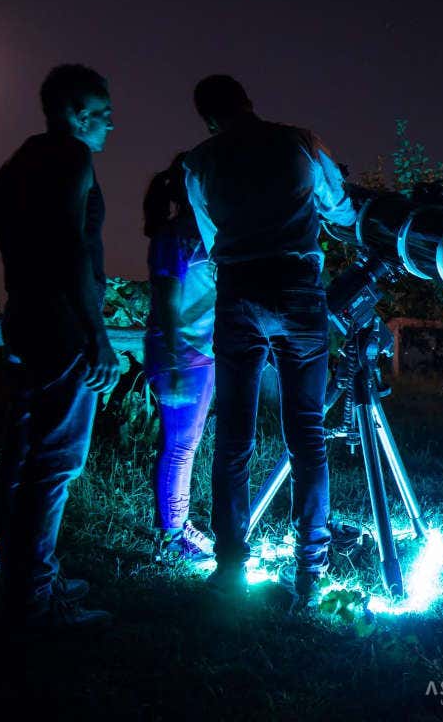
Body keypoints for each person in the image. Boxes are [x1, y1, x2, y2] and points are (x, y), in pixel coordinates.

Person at [183, 75, 356, 602]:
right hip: (299, 288)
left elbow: (212, 239)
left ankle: (231, 564)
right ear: (249, 100)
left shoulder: (198, 162)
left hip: (238, 294)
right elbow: (340, 207)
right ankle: (310, 568)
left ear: (209, 119)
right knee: (305, 434)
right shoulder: (299, 141)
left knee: (234, 437)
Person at [0, 63, 119, 630]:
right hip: (62, 325)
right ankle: (36, 601)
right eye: (105, 116)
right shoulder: (71, 157)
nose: (111, 128)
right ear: (77, 113)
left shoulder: (13, 166)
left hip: (22, 319)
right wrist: (97, 334)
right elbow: (71, 249)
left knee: (20, 459)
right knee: (57, 462)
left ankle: (25, 579)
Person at [142, 153, 217, 562]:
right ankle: (174, 536)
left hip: (194, 353)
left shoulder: (199, 235)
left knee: (184, 445)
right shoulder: (176, 238)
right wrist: (170, 363)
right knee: (180, 447)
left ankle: (177, 525)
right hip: (183, 355)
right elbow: (169, 303)